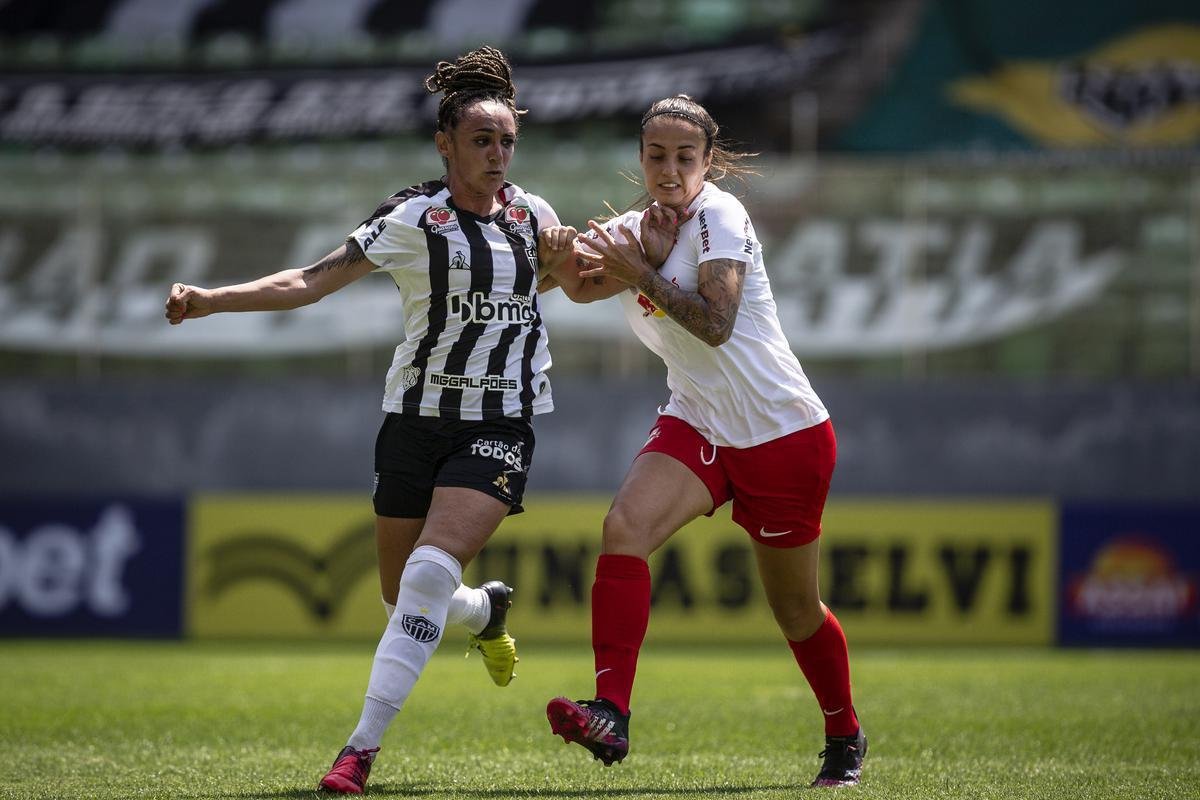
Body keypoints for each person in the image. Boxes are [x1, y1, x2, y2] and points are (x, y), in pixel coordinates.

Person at [164, 46, 564, 795]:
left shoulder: (535, 217)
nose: (498, 153)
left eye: (507, 140)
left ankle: (359, 752)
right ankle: (483, 610)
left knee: (422, 575)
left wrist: (614, 268)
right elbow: (309, 281)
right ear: (445, 144)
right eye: (482, 139)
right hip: (413, 420)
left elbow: (576, 279)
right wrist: (212, 298)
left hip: (500, 423)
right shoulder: (414, 219)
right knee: (403, 596)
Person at [538, 95, 866, 788]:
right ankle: (611, 713)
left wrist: (642, 276)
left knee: (795, 609)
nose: (668, 168)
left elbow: (716, 323)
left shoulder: (721, 216)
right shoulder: (633, 229)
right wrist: (540, 241)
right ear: (640, 158)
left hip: (781, 433)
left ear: (707, 162)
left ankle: (844, 735)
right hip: (698, 419)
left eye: (684, 157)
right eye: (655, 155)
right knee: (623, 528)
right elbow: (576, 286)